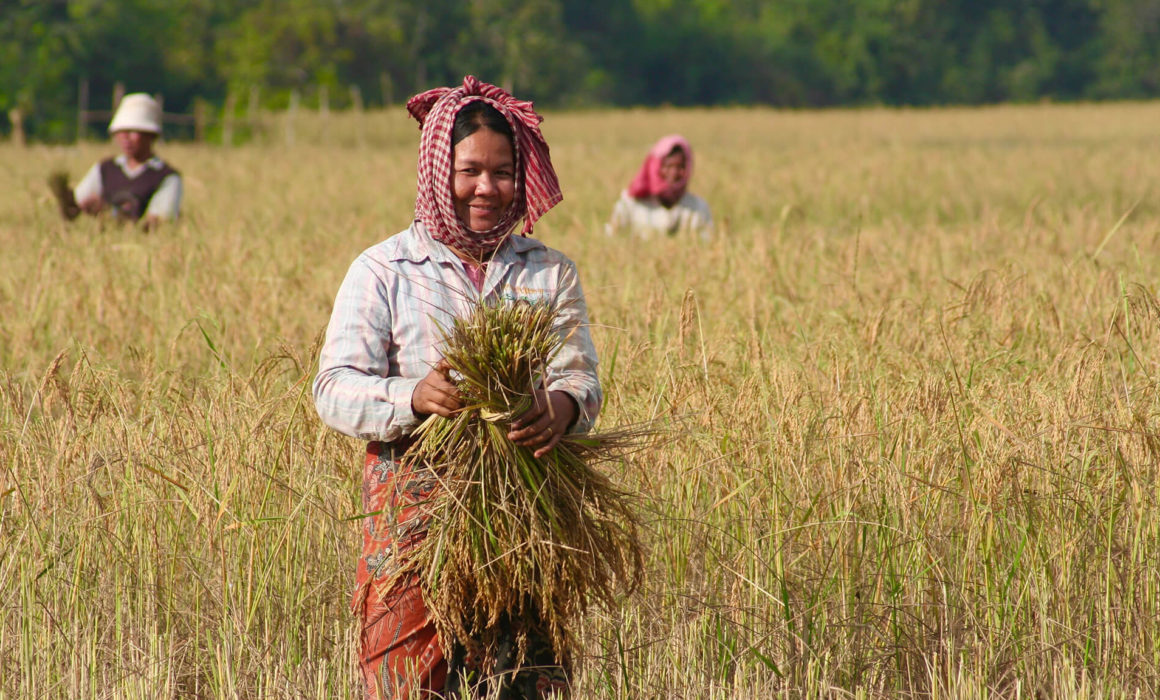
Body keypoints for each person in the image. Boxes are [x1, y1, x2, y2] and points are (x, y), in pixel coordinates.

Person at [312, 76, 601, 699]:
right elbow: (332, 389)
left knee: (525, 675)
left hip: (526, 512)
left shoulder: (547, 272)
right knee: (412, 678)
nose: (487, 189)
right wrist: (413, 397)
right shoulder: (384, 270)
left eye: (502, 173)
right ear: (438, 169)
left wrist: (562, 405)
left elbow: (581, 378)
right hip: (414, 512)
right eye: (470, 170)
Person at [50, 93, 182, 230]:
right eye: (121, 132)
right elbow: (76, 208)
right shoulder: (105, 169)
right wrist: (67, 201)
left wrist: (108, 213)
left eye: (132, 131)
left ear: (150, 135)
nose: (125, 138)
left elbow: (157, 224)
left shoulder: (166, 177)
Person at [606, 134, 713, 241]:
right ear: (655, 166)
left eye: (680, 167)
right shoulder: (631, 203)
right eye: (668, 166)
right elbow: (611, 237)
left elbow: (707, 243)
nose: (674, 173)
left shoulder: (698, 207)